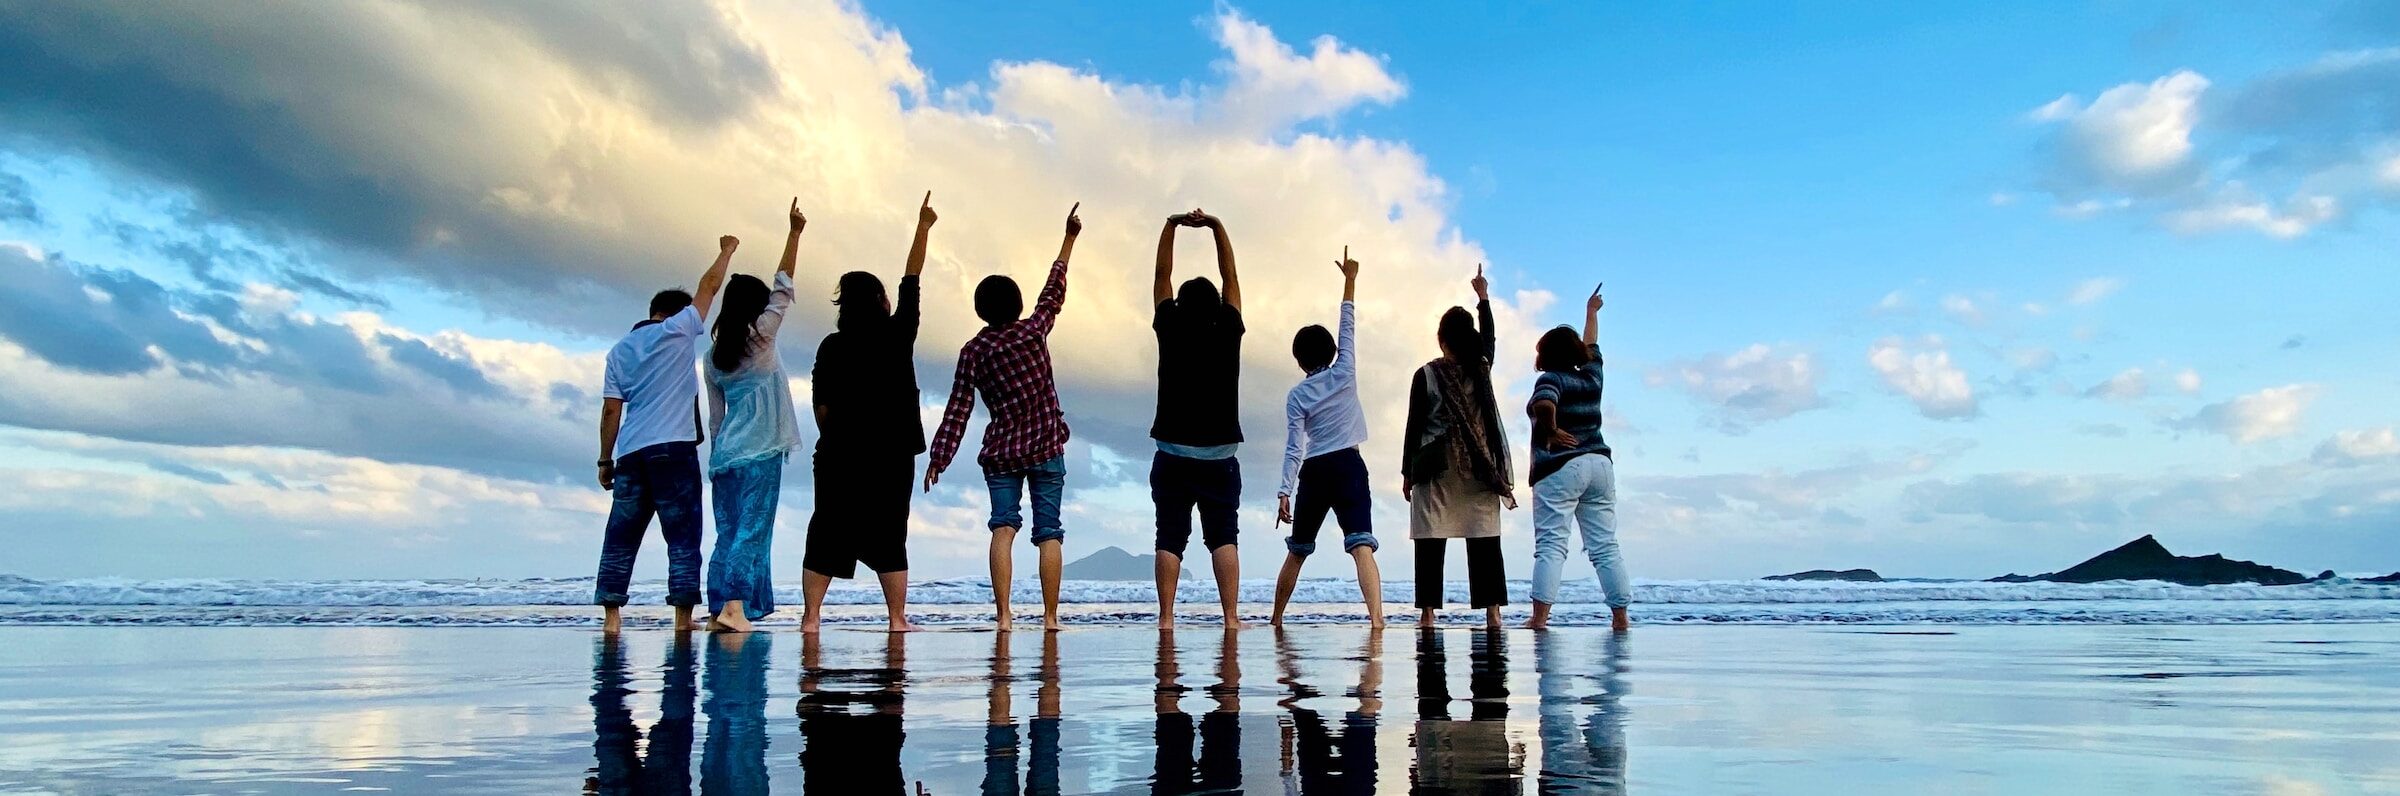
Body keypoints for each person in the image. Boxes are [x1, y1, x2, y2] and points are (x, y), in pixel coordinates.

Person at [928, 203, 1083, 633]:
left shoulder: (973, 351)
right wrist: (1069, 238)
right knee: (1049, 531)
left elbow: (958, 408)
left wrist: (940, 456)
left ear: (981, 311)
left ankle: (1003, 616)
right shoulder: (1033, 332)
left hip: (1001, 452)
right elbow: (1053, 292)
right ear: (1016, 305)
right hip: (1047, 446)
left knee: (1003, 528)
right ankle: (1051, 618)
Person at [800, 192, 935, 634]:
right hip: (891, 454)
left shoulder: (830, 346)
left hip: (839, 450)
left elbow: (820, 408)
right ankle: (897, 619)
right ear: (880, 300)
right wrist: (923, 227)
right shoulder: (898, 334)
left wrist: (840, 434)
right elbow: (911, 278)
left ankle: (811, 618)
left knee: (826, 530)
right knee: (890, 532)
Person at [593, 234, 738, 635]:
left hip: (631, 452)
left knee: (621, 537)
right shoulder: (678, 331)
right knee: (683, 536)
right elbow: (709, 286)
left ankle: (611, 619)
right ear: (675, 314)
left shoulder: (619, 351)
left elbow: (611, 410)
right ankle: (681, 619)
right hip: (672, 449)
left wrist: (605, 460)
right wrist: (726, 250)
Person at [700, 202, 806, 634]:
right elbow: (784, 288)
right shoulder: (760, 337)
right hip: (759, 452)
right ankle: (736, 606)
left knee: (727, 533)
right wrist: (795, 234)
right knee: (752, 531)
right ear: (753, 308)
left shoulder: (712, 357)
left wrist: (714, 456)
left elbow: (715, 420)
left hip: (725, 456)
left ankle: (719, 607)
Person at [1270, 247, 1385, 628]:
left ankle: (1275, 619)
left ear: (1299, 361)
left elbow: (1293, 447)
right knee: (1362, 545)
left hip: (1316, 469)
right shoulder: (1345, 370)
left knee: (1298, 550)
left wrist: (1284, 491)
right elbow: (1347, 325)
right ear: (1333, 352)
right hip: (1349, 465)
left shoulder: (1297, 395)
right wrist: (1350, 279)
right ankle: (1378, 621)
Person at [1401, 265, 1516, 630]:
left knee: (1431, 539)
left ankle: (1428, 614)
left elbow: (1413, 427)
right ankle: (1492, 612)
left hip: (1438, 467)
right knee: (1483, 538)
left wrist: (1407, 472)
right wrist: (1483, 298)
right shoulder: (1481, 367)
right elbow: (1490, 339)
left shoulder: (1428, 374)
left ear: (1441, 339)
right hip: (1480, 467)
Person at [1149, 208, 1247, 630]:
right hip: (1219, 452)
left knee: (1170, 537)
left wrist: (1169, 226)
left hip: (1171, 448)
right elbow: (1232, 279)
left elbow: (1160, 275)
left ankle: (1166, 618)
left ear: (1180, 303)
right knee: (1223, 536)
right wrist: (1217, 227)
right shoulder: (1228, 325)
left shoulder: (1169, 324)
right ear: (1218, 305)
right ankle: (1230, 617)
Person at [1526, 284, 1629, 632]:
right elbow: (1591, 347)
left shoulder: (1550, 378)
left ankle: (1539, 619)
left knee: (1552, 545)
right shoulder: (1592, 376)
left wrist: (1551, 431)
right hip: (1600, 465)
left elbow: (1544, 403)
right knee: (1605, 547)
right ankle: (1621, 618)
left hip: (1560, 467)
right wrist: (1591, 312)